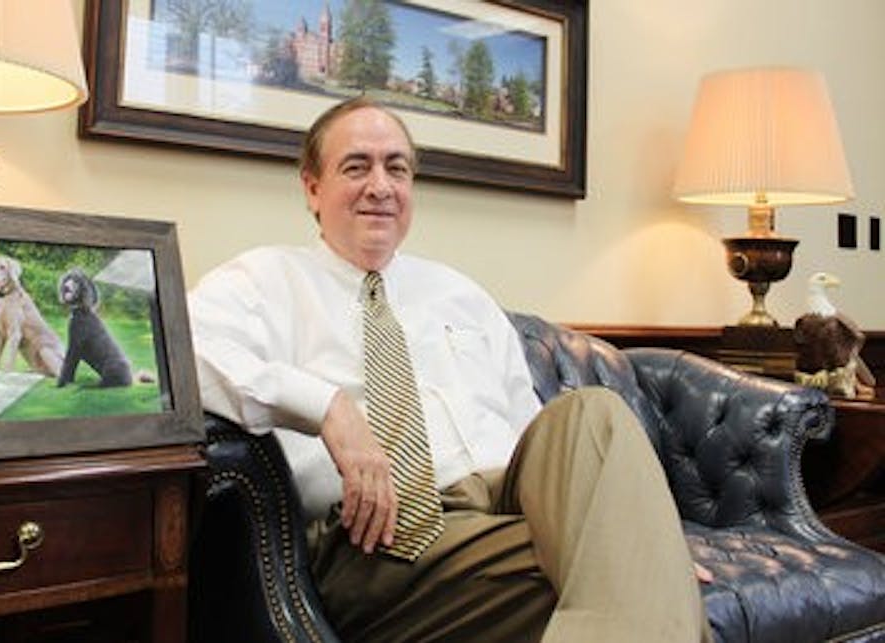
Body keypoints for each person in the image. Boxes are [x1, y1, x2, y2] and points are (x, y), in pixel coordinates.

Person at [188, 96, 712, 642]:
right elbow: (189, 354)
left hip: (508, 505)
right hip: (382, 536)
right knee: (626, 579)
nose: (380, 186)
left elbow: (532, 432)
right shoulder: (263, 281)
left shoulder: (460, 293)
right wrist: (328, 408)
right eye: (356, 166)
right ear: (312, 188)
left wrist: (638, 530)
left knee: (594, 414)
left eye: (397, 168)